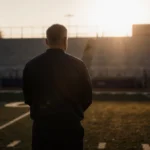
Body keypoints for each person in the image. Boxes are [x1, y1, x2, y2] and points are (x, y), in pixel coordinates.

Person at [22, 24, 92, 150]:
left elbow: (28, 98)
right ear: (65, 40)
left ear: (46, 41)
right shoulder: (79, 65)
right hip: (70, 129)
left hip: (42, 130)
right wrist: (71, 112)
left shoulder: (31, 65)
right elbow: (87, 98)